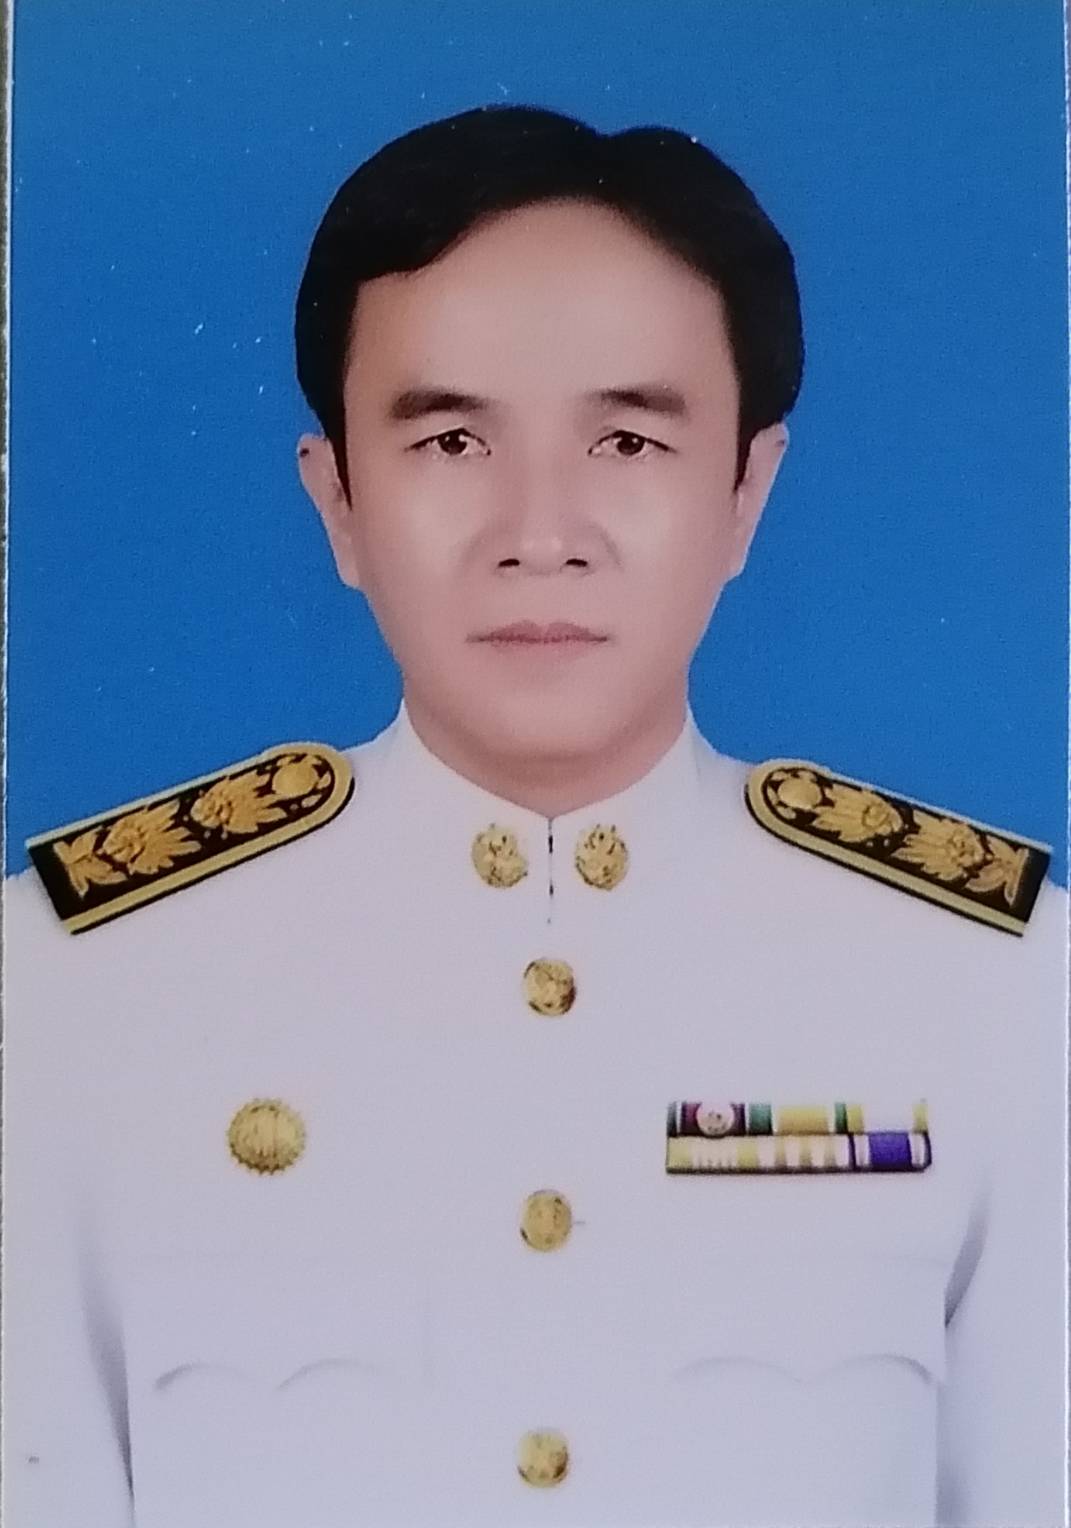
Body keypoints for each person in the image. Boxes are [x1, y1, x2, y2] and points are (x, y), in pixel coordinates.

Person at [2, 104, 1066, 1528]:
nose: (540, 533)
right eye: (450, 441)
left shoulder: (1002, 987)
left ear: (747, 493)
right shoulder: (65, 987)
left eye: (628, 440)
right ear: (338, 500)